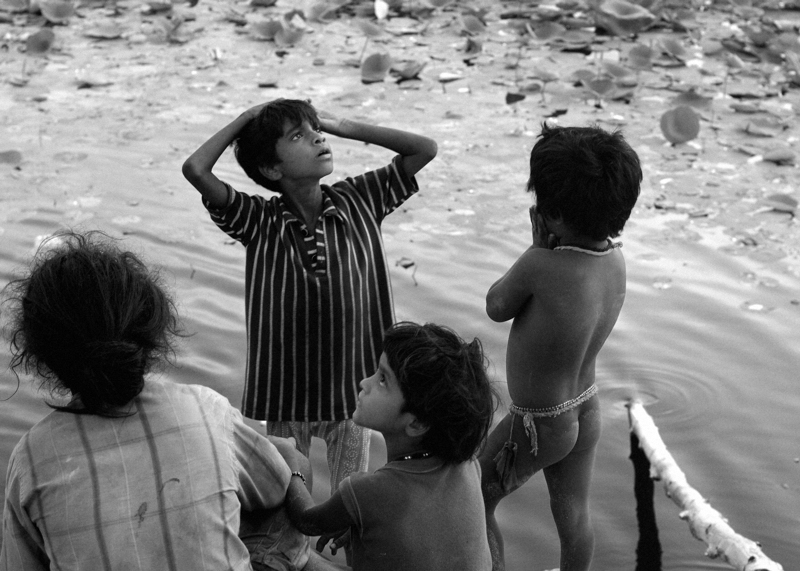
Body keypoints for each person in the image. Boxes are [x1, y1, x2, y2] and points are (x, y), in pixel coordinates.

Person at [0, 231, 341, 571]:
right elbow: (275, 487)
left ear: (44, 356)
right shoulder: (204, 410)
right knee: (285, 457)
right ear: (149, 329)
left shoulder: (30, 459)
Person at [182, 99, 438, 495]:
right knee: (289, 502)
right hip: (284, 394)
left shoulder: (360, 199)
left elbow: (425, 149)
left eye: (314, 129)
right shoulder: (258, 220)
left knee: (350, 501)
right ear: (271, 168)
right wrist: (246, 120)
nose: (318, 138)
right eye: (298, 136)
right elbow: (196, 170)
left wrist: (342, 124)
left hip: (353, 394)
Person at [479, 124, 642, 571]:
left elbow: (496, 306)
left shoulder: (541, 264)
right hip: (585, 407)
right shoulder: (615, 261)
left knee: (476, 497)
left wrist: (535, 249)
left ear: (552, 215)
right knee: (573, 516)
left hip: (538, 422)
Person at [268, 322, 497, 571]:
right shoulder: (469, 465)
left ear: (417, 423)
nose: (364, 383)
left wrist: (292, 465)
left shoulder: (368, 491)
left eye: (382, 380)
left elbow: (306, 521)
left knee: (282, 551)